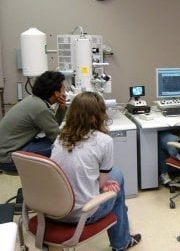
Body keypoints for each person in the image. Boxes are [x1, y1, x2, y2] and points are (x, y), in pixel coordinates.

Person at [50, 92, 141, 251]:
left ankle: (122, 237)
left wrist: (102, 184)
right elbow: (101, 184)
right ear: (98, 115)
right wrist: (103, 186)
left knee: (112, 181)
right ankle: (122, 243)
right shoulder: (104, 141)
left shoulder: (60, 137)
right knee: (117, 181)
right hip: (84, 214)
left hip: (54, 210)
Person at [0, 71, 66, 171]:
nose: (64, 92)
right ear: (56, 93)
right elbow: (56, 138)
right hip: (7, 158)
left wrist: (62, 108)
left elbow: (53, 125)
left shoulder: (33, 100)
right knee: (62, 147)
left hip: (7, 151)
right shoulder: (40, 108)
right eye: (63, 89)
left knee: (53, 142)